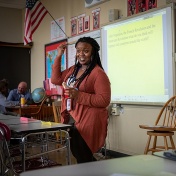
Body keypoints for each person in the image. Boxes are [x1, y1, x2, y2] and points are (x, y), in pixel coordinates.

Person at [51, 37, 111, 163]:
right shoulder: (74, 69)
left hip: (89, 119)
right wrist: (59, 55)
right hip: (73, 116)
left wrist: (79, 95)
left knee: (83, 156)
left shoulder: (98, 73)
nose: (81, 54)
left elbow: (104, 100)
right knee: (79, 154)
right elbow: (56, 80)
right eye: (78, 51)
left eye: (86, 51)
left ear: (93, 52)